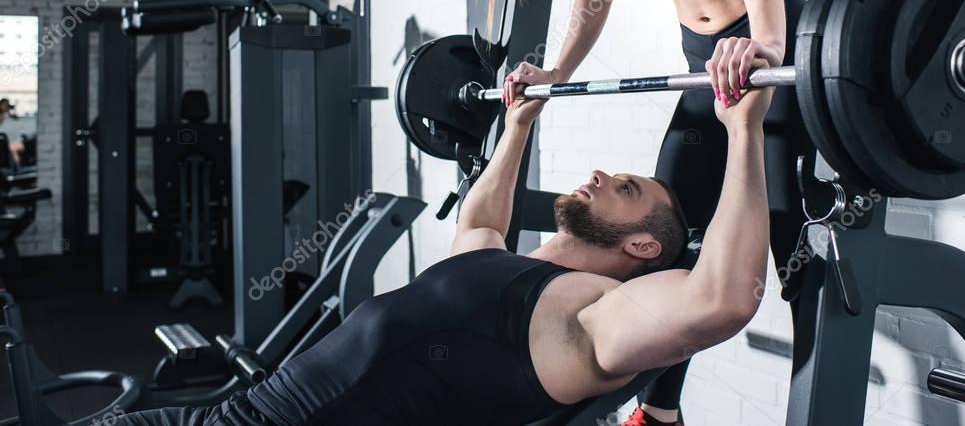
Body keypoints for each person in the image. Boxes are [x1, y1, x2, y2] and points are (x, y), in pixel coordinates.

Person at [117, 67, 774, 425]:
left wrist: (742, 128)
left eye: (624, 186)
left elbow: (719, 298)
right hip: (234, 411)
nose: (600, 174)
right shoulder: (506, 262)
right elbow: (480, 218)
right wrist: (517, 124)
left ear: (640, 244)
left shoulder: (595, 316)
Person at [460, 0, 815, 426]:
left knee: (793, 248)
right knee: (664, 237)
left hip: (766, 45)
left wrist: (766, 49)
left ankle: (819, 399)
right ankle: (658, 413)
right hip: (702, 61)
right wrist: (553, 75)